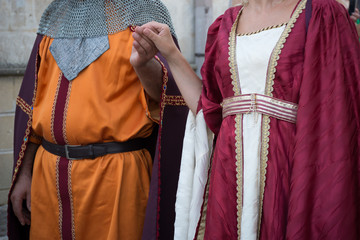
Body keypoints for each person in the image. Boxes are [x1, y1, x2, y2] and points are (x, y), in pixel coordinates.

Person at [133, 0, 360, 239]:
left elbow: (337, 117)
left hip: (289, 170)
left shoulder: (321, 14)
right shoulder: (225, 23)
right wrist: (169, 52)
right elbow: (209, 111)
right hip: (228, 173)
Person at [7, 0, 189, 239]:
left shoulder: (144, 12)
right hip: (48, 180)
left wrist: (144, 65)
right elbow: (33, 102)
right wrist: (25, 173)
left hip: (116, 179)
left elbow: (169, 96)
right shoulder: (56, 16)